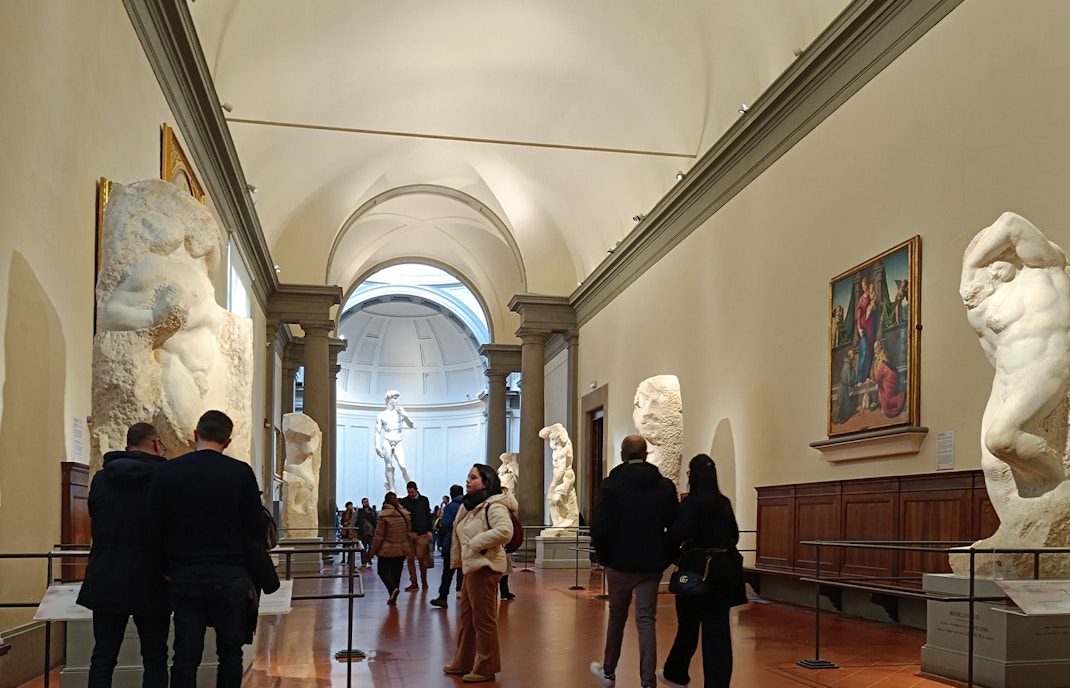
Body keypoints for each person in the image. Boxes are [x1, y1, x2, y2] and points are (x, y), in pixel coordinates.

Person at [149, 410, 270, 688]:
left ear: (195, 435)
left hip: (183, 574)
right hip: (231, 575)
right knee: (230, 653)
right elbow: (255, 525)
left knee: (185, 654)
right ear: (227, 441)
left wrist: (166, 570)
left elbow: (154, 527)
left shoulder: (167, 471)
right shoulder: (240, 473)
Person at [960, 211, 1070, 497]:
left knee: (1002, 439)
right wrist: (974, 276)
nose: (992, 268)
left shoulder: (1046, 268)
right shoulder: (994, 302)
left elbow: (1011, 222)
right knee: (993, 464)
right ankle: (1010, 535)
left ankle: (1060, 487)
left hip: (1046, 365)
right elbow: (993, 350)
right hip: (1008, 376)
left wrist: (971, 261)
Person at [77, 423, 170, 688]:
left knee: (103, 656)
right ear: (155, 444)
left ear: (127, 446)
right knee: (155, 656)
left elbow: (95, 515)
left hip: (107, 573)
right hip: (151, 576)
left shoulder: (101, 478)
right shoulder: (164, 476)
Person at [590, 435, 679, 688]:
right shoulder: (664, 486)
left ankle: (608, 672)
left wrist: (605, 557)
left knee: (617, 617)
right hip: (650, 563)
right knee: (646, 621)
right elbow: (674, 526)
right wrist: (665, 556)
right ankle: (648, 681)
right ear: (647, 454)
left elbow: (601, 526)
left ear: (622, 455)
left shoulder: (610, 484)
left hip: (618, 561)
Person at [658, 454, 744, 688]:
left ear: (692, 476)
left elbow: (676, 535)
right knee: (718, 633)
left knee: (687, 627)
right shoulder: (723, 502)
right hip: (724, 571)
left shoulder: (691, 503)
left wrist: (673, 557)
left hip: (695, 570)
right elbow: (734, 536)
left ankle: (676, 672)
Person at [443, 464, 516, 683]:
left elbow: (505, 531)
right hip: (472, 567)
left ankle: (486, 666)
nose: (468, 480)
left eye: (473, 477)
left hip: (486, 566)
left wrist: (475, 543)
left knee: (484, 620)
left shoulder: (493, 506)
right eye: (467, 476)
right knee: (467, 619)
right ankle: (463, 661)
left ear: (486, 483)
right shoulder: (471, 505)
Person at [368, 492, 413, 606]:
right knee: (396, 572)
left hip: (387, 549)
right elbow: (408, 532)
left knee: (382, 571)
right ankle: (393, 594)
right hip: (401, 548)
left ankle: (392, 589)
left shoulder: (384, 515)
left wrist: (372, 551)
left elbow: (379, 536)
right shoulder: (404, 514)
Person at [430, 484, 465, 608]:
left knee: (447, 572)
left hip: (451, 542)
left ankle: (443, 596)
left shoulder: (450, 507)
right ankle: (463, 593)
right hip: (466, 543)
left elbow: (445, 524)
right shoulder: (468, 505)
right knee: (464, 570)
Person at [375, 390, 414, 493]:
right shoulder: (381, 415)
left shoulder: (400, 412)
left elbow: (411, 425)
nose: (397, 400)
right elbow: (377, 432)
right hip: (387, 440)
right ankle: (392, 489)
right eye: (394, 398)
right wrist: (377, 446)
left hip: (398, 440)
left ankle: (411, 488)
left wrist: (405, 415)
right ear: (388, 399)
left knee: (403, 465)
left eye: (397, 398)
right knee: (388, 465)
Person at [399, 480, 433, 591]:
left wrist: (429, 530)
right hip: (409, 534)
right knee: (409, 559)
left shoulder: (424, 500)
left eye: (412, 492)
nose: (410, 494)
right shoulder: (404, 501)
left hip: (421, 533)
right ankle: (414, 582)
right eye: (409, 492)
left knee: (421, 557)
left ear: (416, 490)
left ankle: (424, 581)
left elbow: (427, 515)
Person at [356, 497, 378, 568]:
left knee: (371, 548)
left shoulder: (372, 511)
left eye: (367, 502)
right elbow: (357, 521)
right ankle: (363, 561)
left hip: (371, 532)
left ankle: (368, 558)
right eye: (365, 502)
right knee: (363, 549)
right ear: (362, 503)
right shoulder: (360, 512)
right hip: (363, 532)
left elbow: (375, 521)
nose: (366, 503)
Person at [339, 500, 358, 568]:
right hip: (345, 531)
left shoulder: (354, 513)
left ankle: (350, 560)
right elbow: (342, 522)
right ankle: (343, 558)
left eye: (352, 505)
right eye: (350, 505)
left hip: (351, 532)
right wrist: (345, 523)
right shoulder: (344, 513)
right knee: (344, 545)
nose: (351, 506)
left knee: (351, 546)